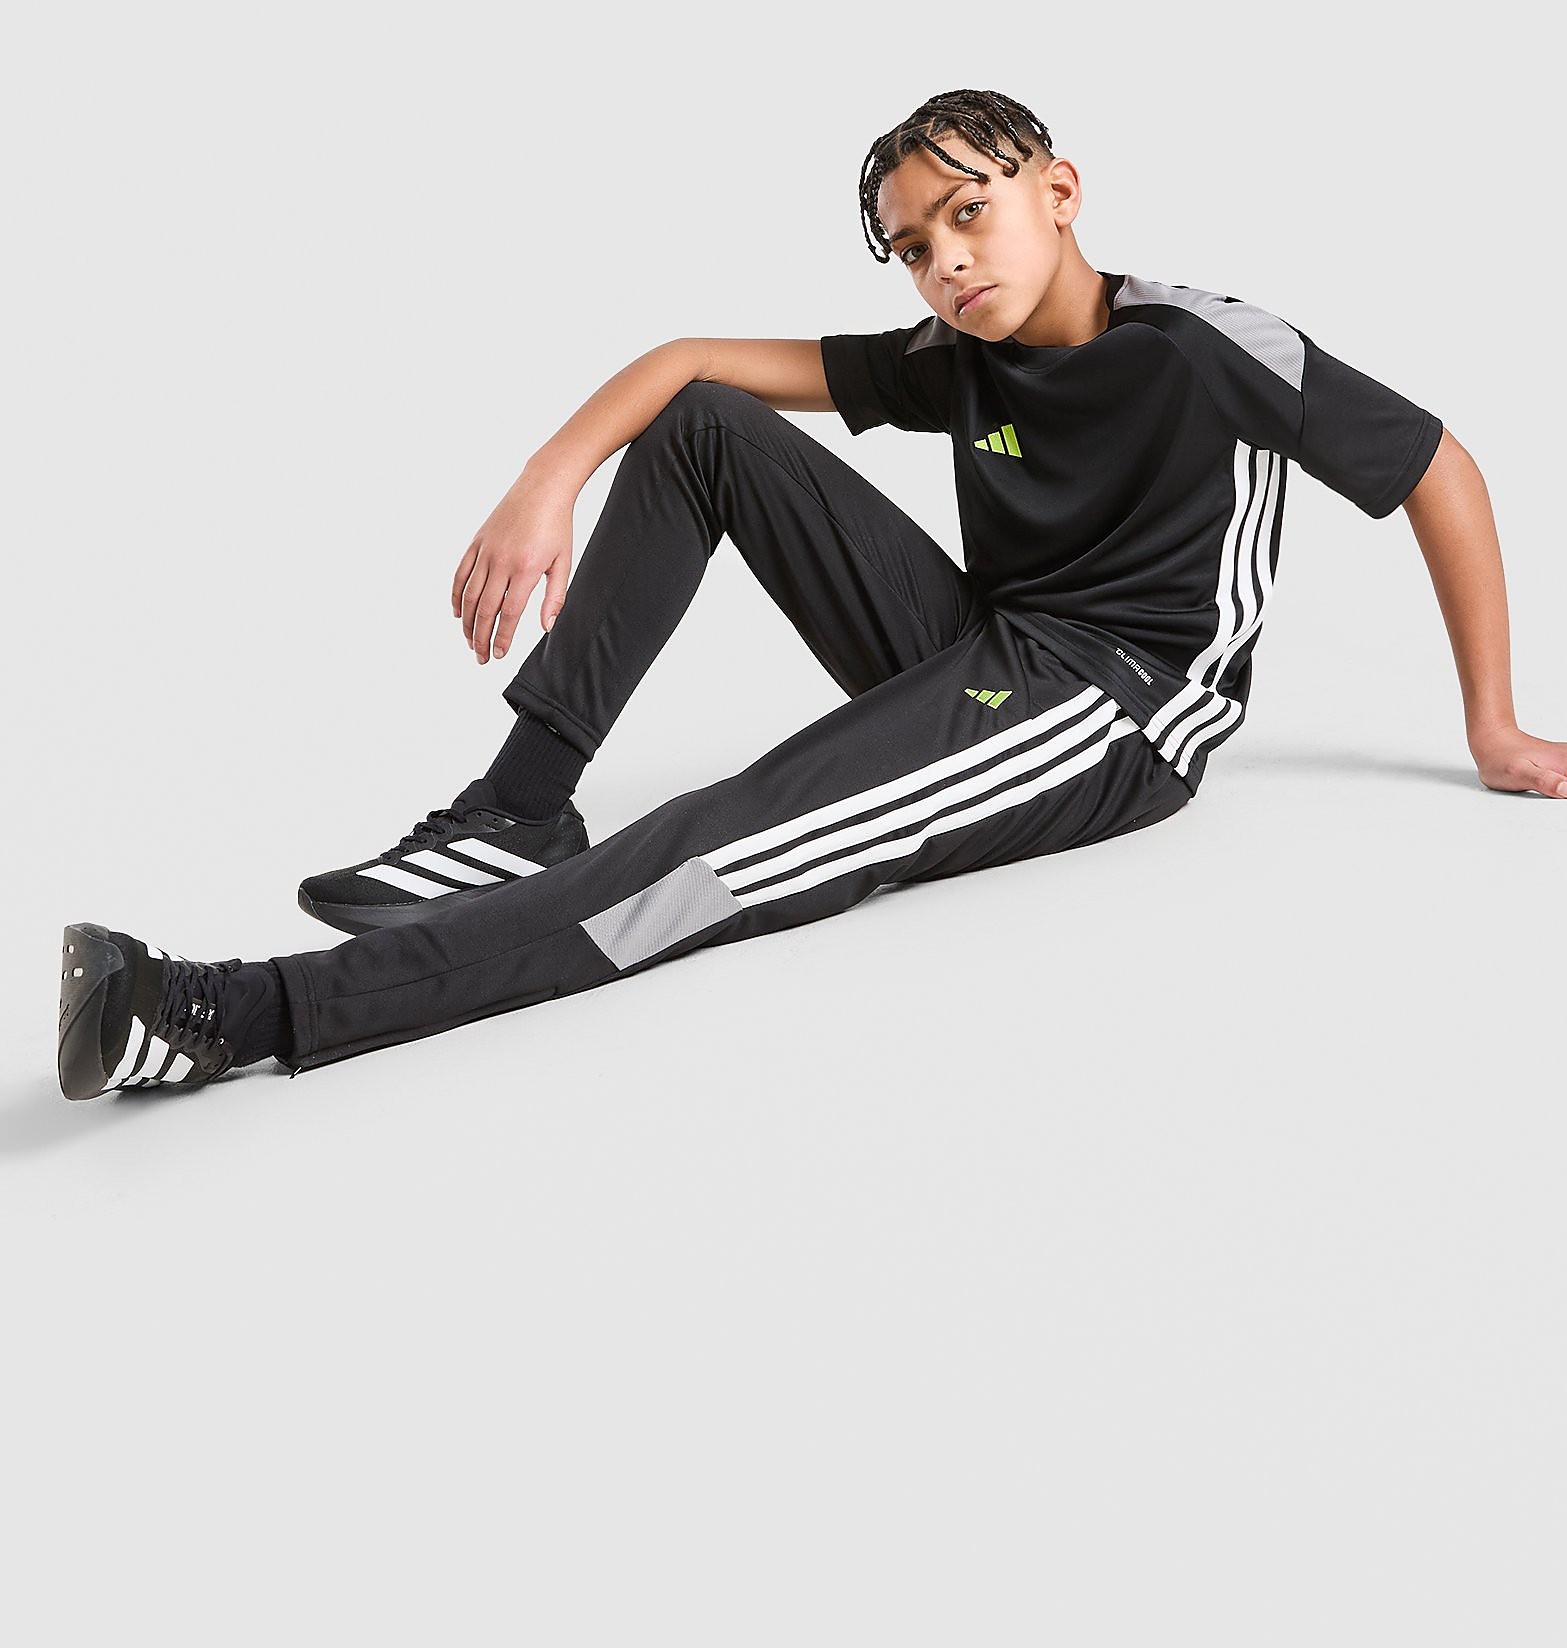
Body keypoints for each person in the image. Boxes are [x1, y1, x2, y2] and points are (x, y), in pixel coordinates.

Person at [56, 88, 1566, 1100]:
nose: (946, 263)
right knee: (708, 425)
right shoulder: (958, 357)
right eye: (914, 247)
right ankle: (516, 808)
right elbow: (693, 370)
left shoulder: (1203, 345)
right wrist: (548, 476)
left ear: (1059, 192)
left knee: (722, 842)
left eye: (969, 214)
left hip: (1110, 712)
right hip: (989, 646)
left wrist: (1491, 727)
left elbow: (1439, 467)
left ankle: (235, 1016)